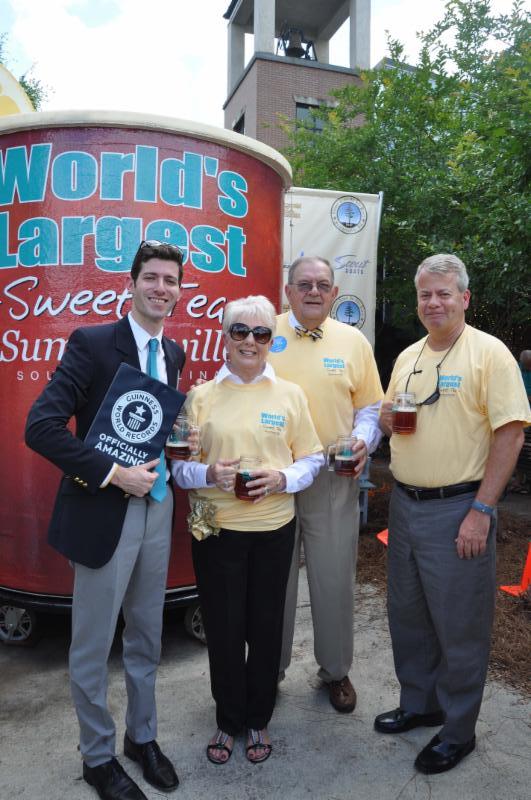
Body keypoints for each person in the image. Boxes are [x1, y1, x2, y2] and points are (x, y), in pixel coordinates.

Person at [25, 241, 186, 800]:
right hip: (103, 512)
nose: (160, 288)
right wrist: (115, 474)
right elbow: (40, 427)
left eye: (170, 280)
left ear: (179, 290)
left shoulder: (174, 353)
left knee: (146, 633)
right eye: (151, 277)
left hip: (158, 509)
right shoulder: (92, 344)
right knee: (93, 644)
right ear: (132, 283)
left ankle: (142, 737)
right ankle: (97, 756)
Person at [375, 254, 530, 774]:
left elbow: (511, 435)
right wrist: (385, 420)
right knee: (409, 617)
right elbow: (392, 417)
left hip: (460, 507)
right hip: (406, 505)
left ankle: (458, 731)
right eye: (425, 294)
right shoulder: (408, 356)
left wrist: (482, 510)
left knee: (460, 627)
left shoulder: (490, 354)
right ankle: (421, 704)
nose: (433, 303)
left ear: (464, 298)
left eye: (444, 293)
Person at [172, 295, 323, 765]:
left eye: (261, 333)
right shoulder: (200, 397)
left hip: (274, 528)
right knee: (223, 628)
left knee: (265, 627)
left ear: (271, 340)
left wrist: (282, 478)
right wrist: (209, 473)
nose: (250, 341)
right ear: (224, 337)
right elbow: (179, 469)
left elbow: (312, 458)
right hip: (217, 532)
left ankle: (258, 717)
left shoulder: (290, 395)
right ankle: (228, 719)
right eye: (240, 331)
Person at [269, 256, 384, 712]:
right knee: (273, 581)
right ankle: (269, 671)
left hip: (334, 477)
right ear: (288, 292)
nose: (313, 291)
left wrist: (363, 442)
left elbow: (370, 409)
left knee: (334, 578)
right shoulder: (263, 332)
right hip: (275, 477)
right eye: (304, 284)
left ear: (335, 293)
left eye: (322, 285)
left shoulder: (354, 342)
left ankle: (335, 670)